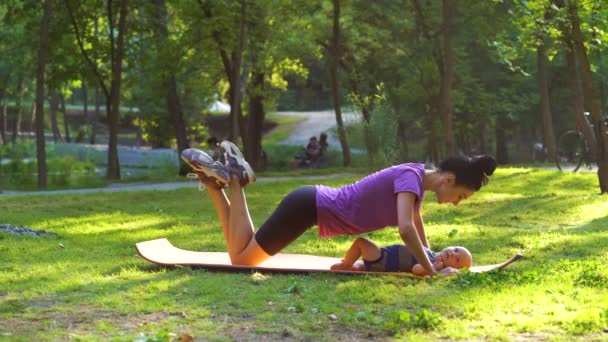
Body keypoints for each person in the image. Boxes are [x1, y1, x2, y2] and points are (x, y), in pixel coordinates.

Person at [181, 140, 496, 277]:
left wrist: (430, 260)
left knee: (243, 249)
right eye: (461, 196)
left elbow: (416, 227)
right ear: (449, 180)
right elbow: (405, 229)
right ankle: (235, 180)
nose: (457, 202)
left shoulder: (415, 182)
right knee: (241, 259)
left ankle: (214, 183)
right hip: (308, 207)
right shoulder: (410, 179)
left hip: (308, 204)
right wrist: (432, 271)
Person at [329, 237, 472, 277]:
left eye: (457, 259)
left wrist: (431, 268)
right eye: (455, 249)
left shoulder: (433, 263)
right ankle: (358, 266)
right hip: (382, 255)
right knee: (362, 254)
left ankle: (347, 264)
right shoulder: (430, 252)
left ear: (454, 268)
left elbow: (416, 269)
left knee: (361, 242)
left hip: (383, 259)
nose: (453, 253)